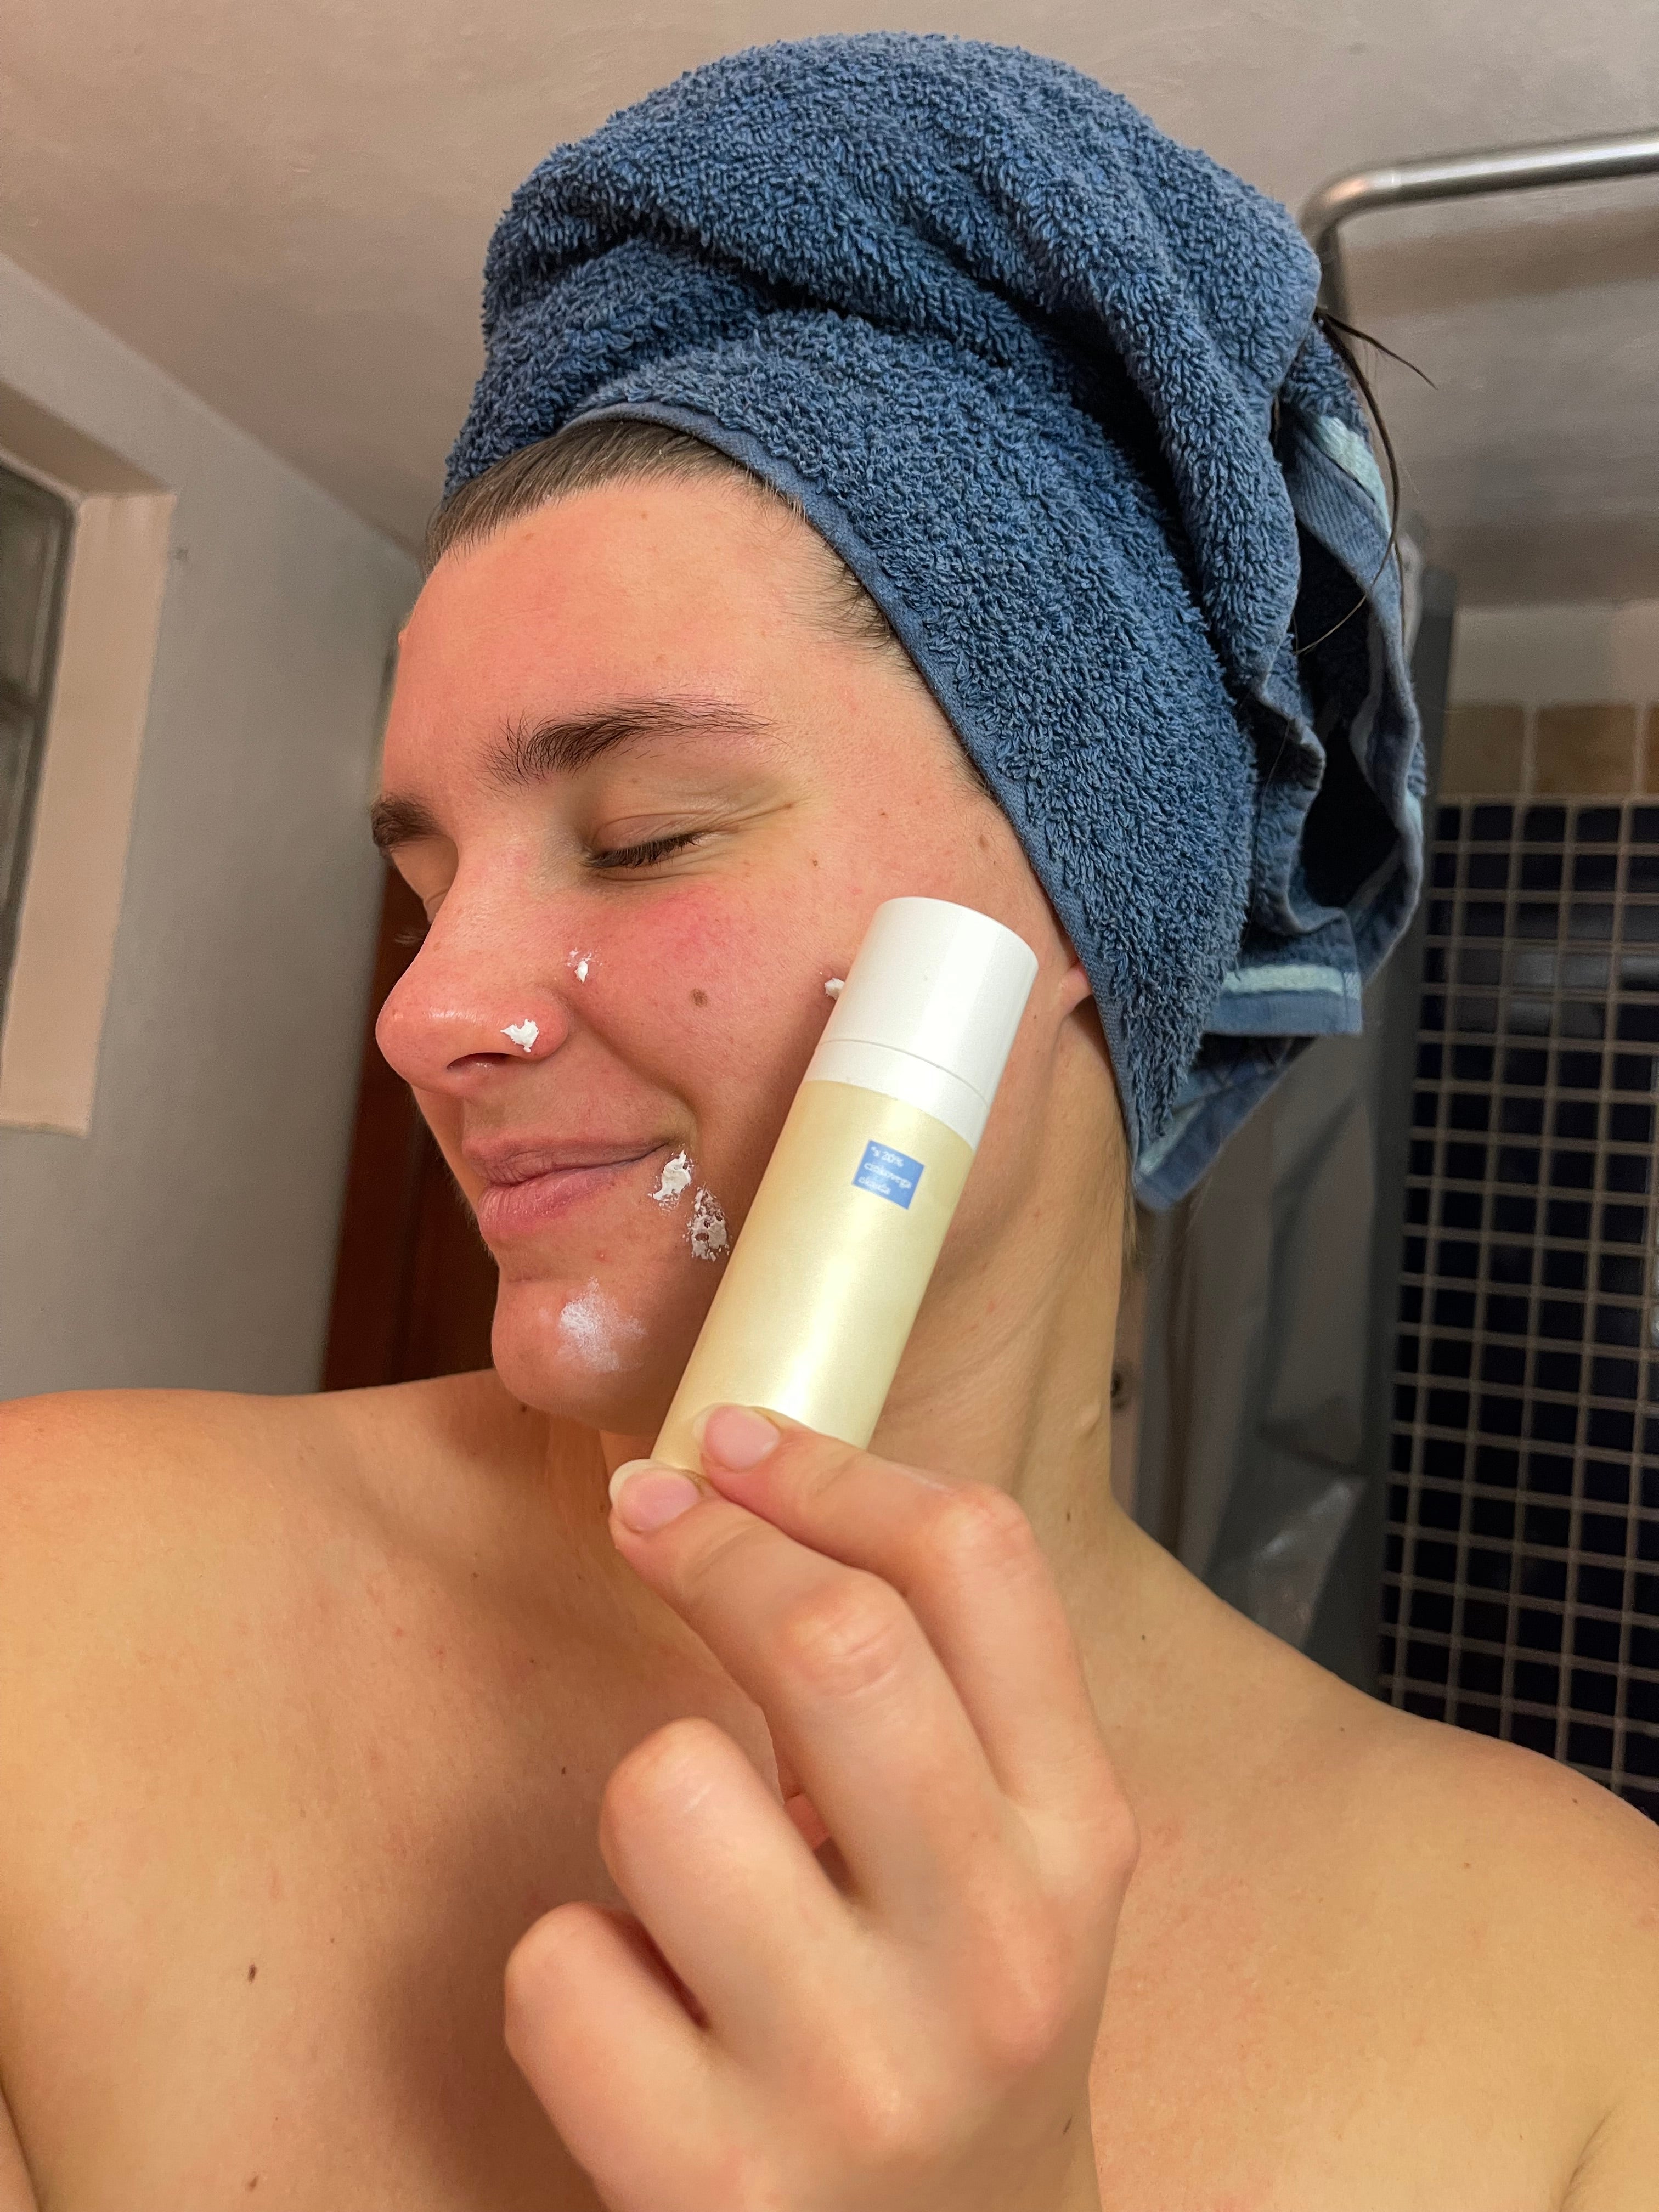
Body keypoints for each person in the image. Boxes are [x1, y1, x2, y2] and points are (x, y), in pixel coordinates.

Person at [2, 35, 1656, 2212]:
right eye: (422, 884)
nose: (422, 1015)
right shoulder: (48, 1606)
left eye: (644, 834)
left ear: (1080, 909)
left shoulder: (1583, 1995)